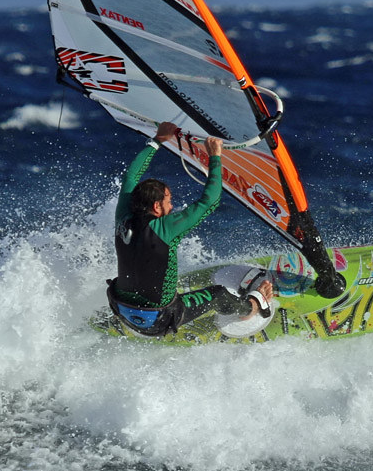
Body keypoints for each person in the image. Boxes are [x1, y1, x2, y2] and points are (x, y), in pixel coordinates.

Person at [107, 121, 275, 337]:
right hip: (159, 319)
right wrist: (215, 157)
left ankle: (132, 315)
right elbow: (210, 201)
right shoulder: (165, 228)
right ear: (157, 206)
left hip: (120, 307)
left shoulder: (122, 217)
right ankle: (252, 307)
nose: (172, 206)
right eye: (169, 201)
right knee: (218, 294)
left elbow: (130, 177)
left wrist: (157, 141)